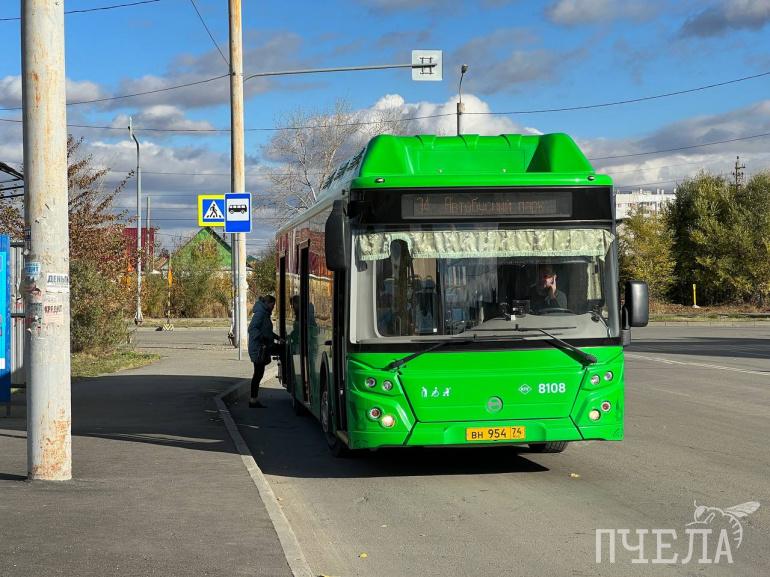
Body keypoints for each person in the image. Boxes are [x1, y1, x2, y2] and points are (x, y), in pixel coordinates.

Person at [247, 295, 280, 408]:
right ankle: (253, 400)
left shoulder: (264, 313)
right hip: (258, 348)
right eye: (272, 305)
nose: (273, 307)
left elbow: (267, 331)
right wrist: (262, 338)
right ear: (267, 303)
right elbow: (252, 329)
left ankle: (253, 399)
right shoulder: (260, 314)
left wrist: (278, 338)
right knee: (258, 374)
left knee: (259, 373)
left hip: (262, 346)